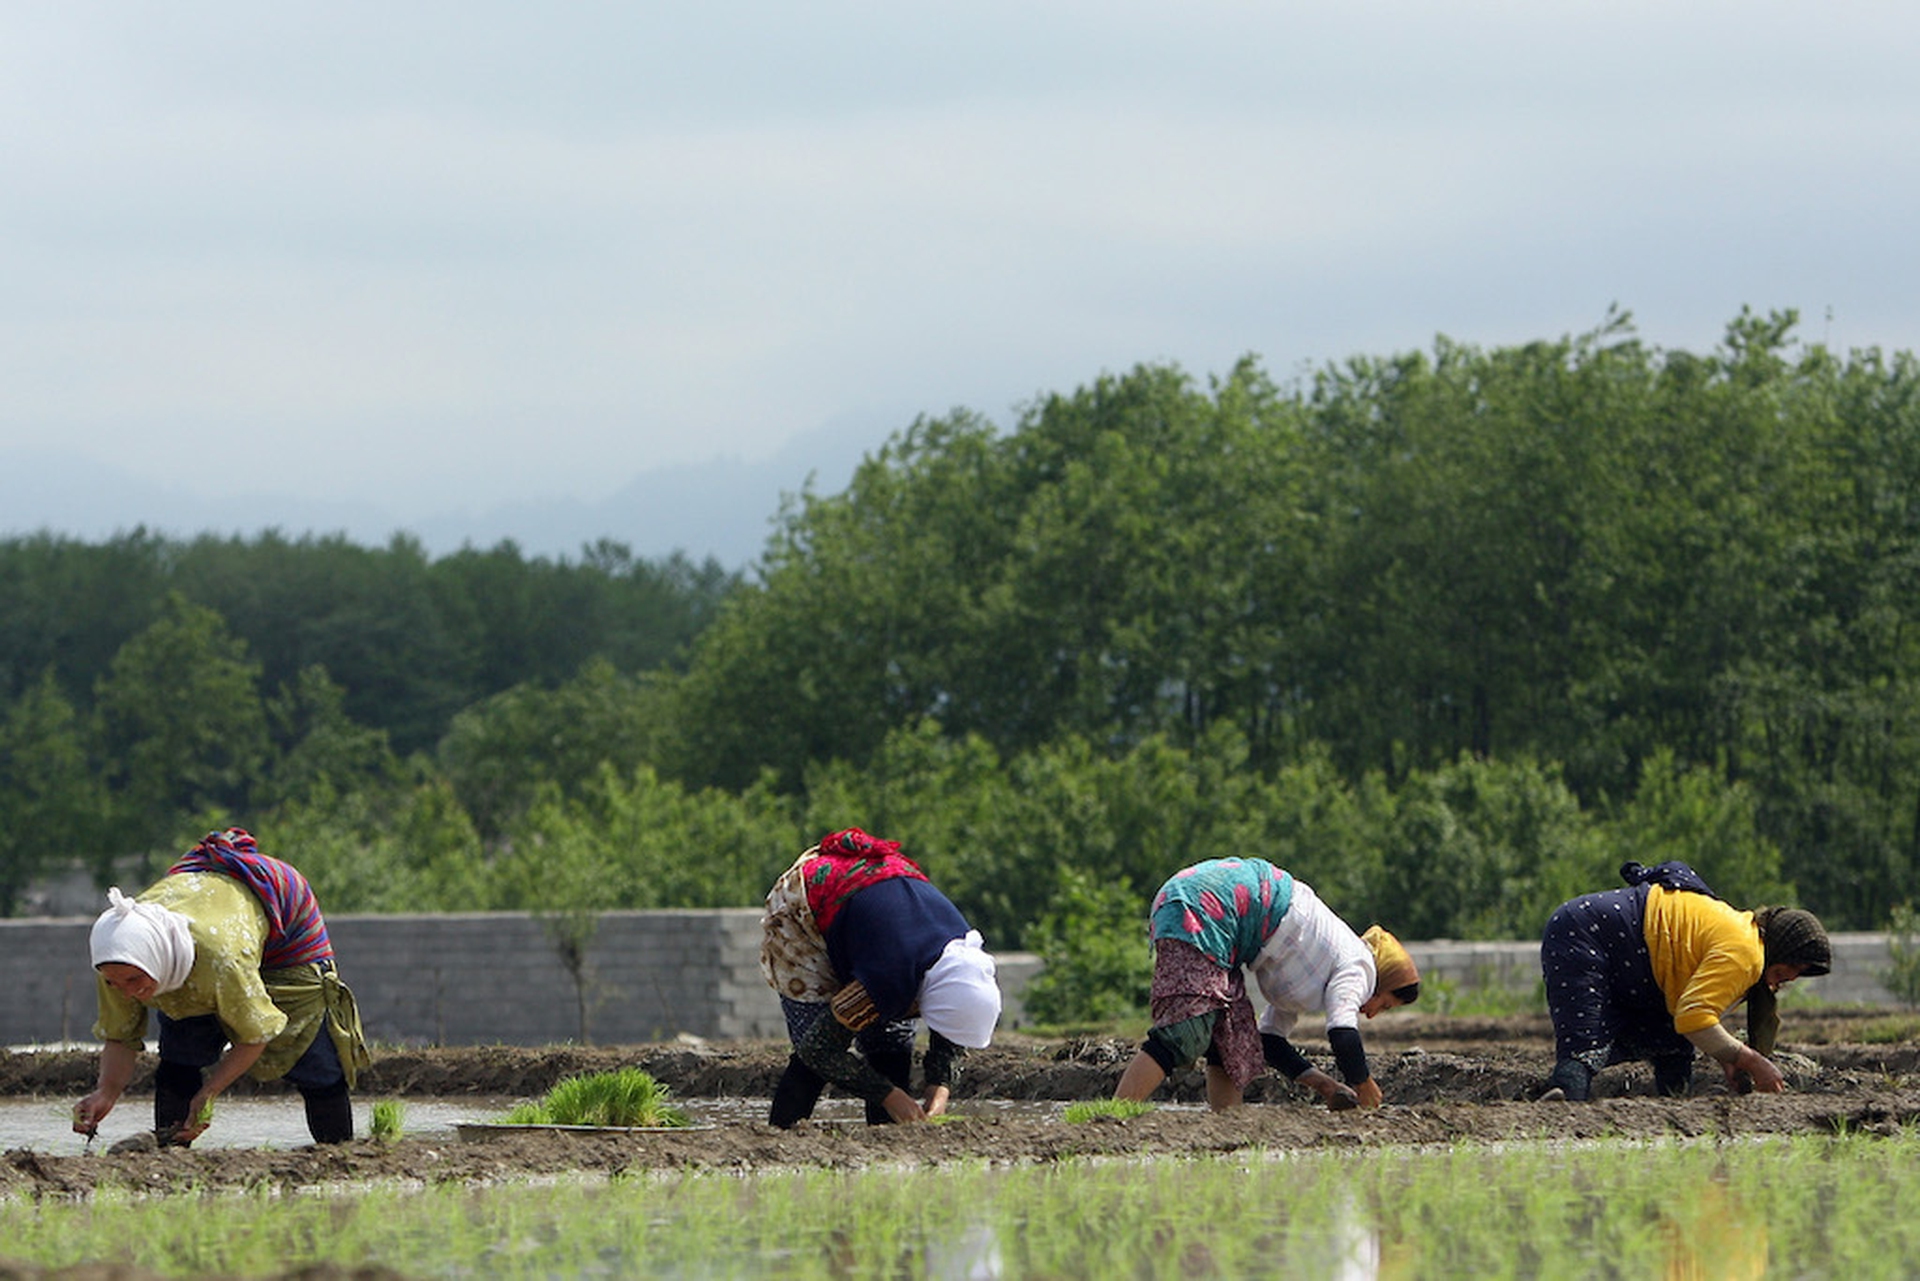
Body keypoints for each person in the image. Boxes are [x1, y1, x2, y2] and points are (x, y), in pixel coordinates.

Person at [72, 828, 371, 1146]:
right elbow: (120, 1034)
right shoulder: (117, 958)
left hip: (283, 918)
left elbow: (255, 1034)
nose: (127, 991)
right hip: (199, 920)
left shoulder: (221, 961)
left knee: (315, 1060)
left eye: (134, 981)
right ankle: (171, 1148)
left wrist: (209, 1093)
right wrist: (106, 1092)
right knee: (180, 1053)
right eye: (115, 983)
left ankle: (338, 1152)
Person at [1112, 857, 1421, 1112]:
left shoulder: (1317, 969)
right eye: (1385, 1004)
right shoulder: (1360, 967)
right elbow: (1342, 1033)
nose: (1372, 1013)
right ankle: (1112, 1117)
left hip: (1218, 914)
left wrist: (1326, 1086)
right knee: (1185, 1033)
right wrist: (1363, 1084)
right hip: (1205, 905)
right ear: (1382, 982)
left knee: (1231, 1037)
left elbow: (1269, 1042)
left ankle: (1226, 1131)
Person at [759, 827, 1002, 1127]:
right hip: (806, 903)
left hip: (880, 919)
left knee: (890, 1043)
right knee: (816, 1050)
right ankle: (781, 1138)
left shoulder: (965, 962)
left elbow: (954, 1023)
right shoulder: (891, 977)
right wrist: (890, 1096)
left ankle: (885, 1141)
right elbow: (818, 1051)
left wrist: (939, 1088)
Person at [1538, 860, 1831, 1101]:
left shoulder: (1744, 935)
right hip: (1588, 932)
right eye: (1791, 965)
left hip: (1640, 960)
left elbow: (1689, 1012)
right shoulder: (1746, 954)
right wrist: (1751, 1060)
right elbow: (1694, 1018)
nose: (1791, 976)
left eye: (1800, 972)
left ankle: (1674, 1103)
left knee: (1672, 1046)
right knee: (1585, 1041)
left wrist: (1724, 1055)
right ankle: (1564, 1103)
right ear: (1778, 947)